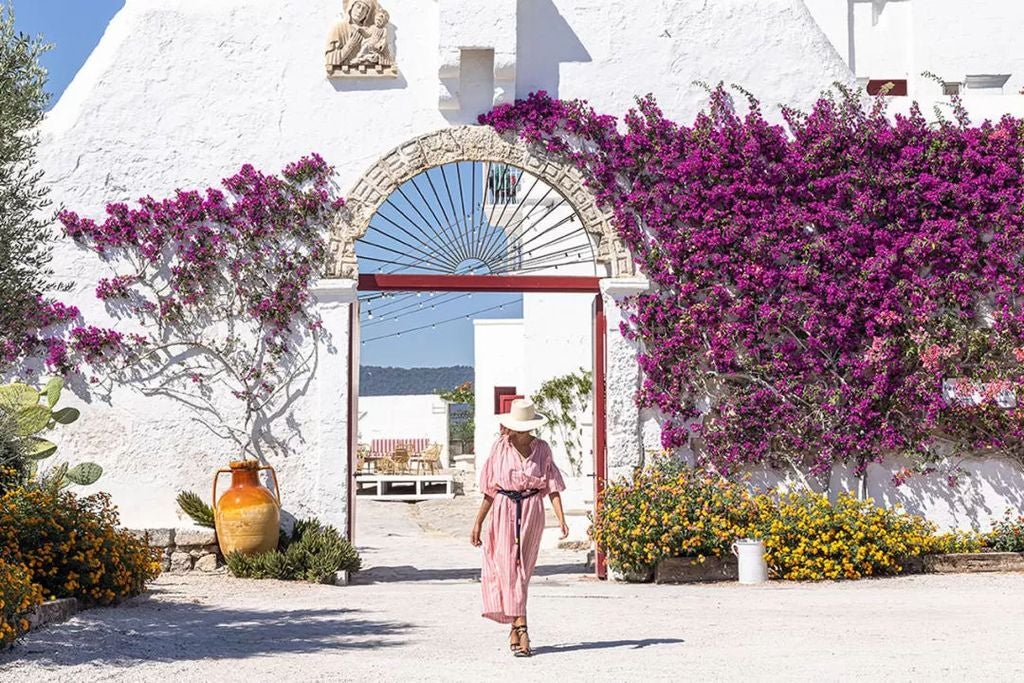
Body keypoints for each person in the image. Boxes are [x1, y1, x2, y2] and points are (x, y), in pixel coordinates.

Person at [471, 398, 569, 657]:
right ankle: (521, 627)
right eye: (518, 426)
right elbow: (490, 490)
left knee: (523, 571)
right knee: (506, 569)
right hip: (503, 510)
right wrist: (478, 522)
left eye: (526, 426)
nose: (521, 430)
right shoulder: (499, 449)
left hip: (532, 512)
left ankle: (516, 624)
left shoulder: (543, 450)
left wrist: (561, 519)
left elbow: (552, 486)